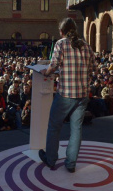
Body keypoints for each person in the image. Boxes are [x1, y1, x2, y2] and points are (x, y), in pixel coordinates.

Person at [39, 18, 96, 173]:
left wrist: (47, 72)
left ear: (62, 31)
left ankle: (50, 159)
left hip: (66, 94)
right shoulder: (85, 45)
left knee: (54, 126)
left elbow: (55, 63)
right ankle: (71, 164)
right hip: (82, 94)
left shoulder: (61, 43)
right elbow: (93, 67)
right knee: (76, 129)